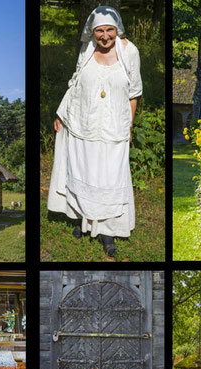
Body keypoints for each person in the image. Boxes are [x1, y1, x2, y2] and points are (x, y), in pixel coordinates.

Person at [47, 6, 142, 257]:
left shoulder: (129, 52)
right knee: (83, 169)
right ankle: (83, 218)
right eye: (99, 30)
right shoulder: (87, 49)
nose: (104, 36)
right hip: (83, 120)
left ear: (117, 29)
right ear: (92, 31)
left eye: (109, 30)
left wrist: (129, 125)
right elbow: (75, 82)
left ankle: (108, 230)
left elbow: (134, 93)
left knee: (109, 176)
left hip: (114, 125)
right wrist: (61, 112)